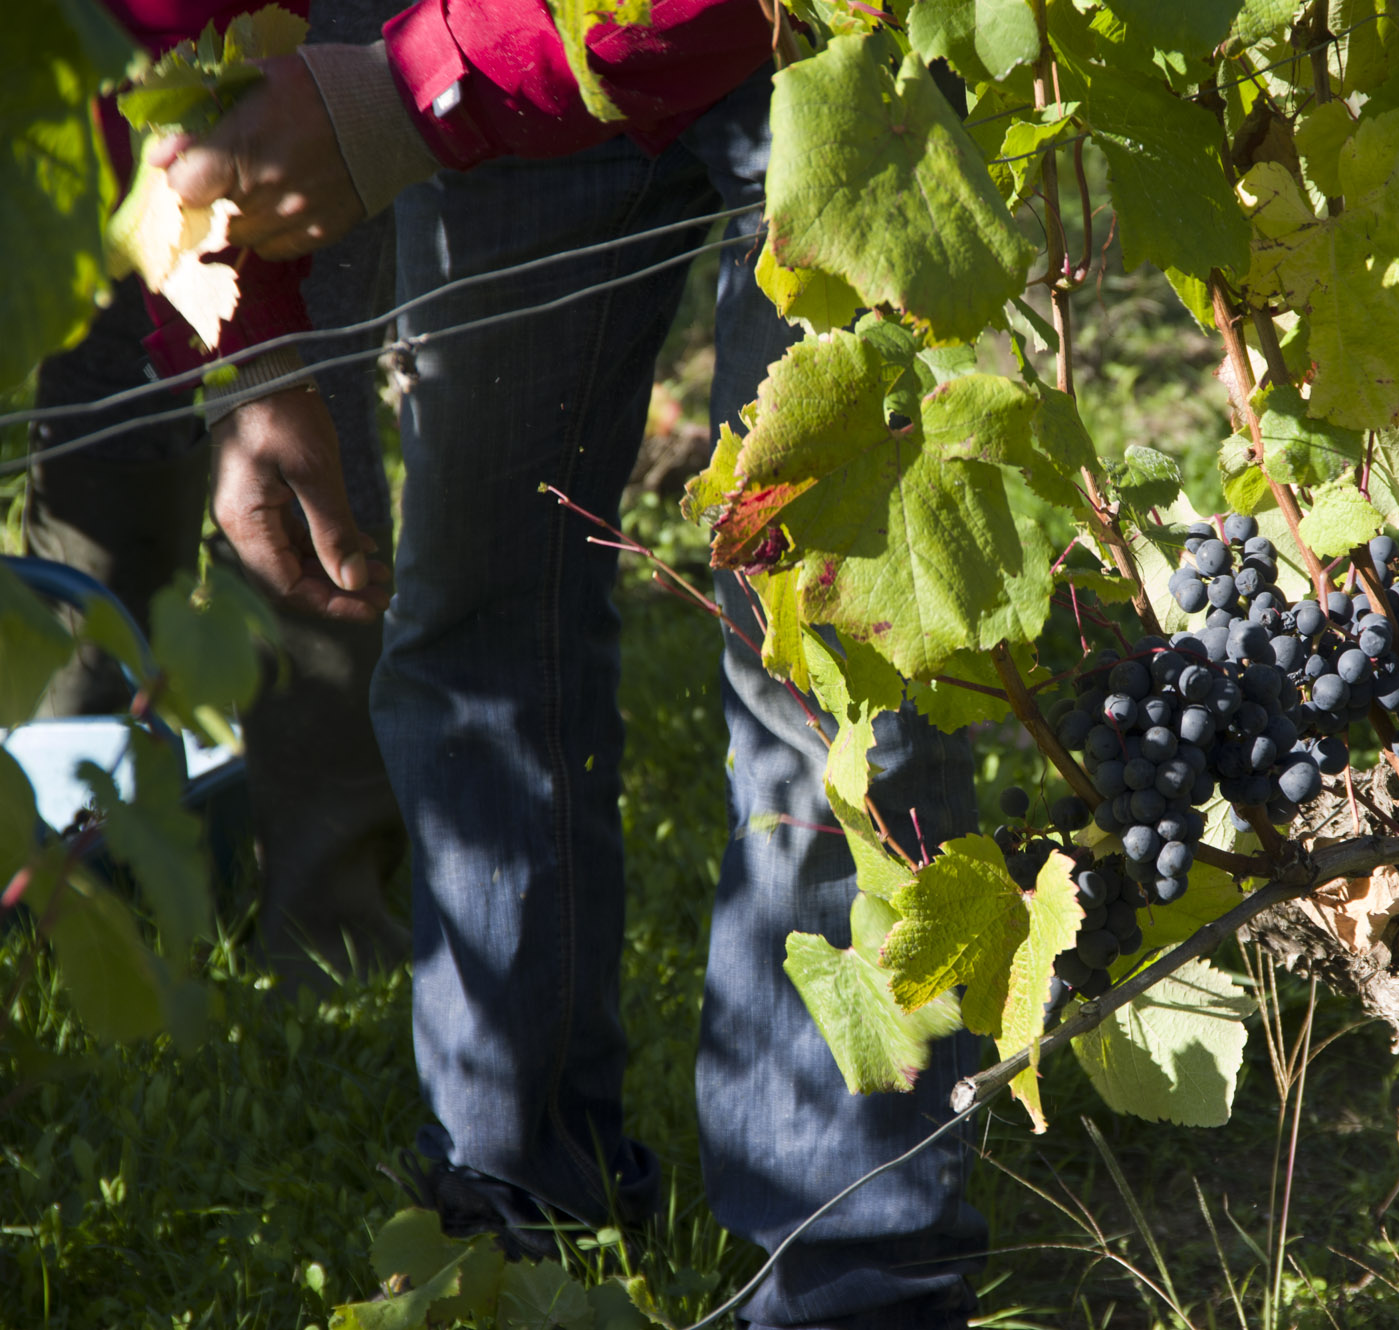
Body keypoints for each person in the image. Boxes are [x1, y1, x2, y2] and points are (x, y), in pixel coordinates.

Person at [134, 2, 989, 1323]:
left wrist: (420, 85)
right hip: (493, 40)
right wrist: (244, 333)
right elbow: (183, 38)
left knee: (835, 643)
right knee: (477, 610)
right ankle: (512, 1201)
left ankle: (852, 1263)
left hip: (830, 32)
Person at [30, 0, 407, 988]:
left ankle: (330, 920)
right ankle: (64, 851)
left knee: (300, 403)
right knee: (109, 363)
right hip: (118, 43)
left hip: (286, 41)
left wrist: (255, 356)